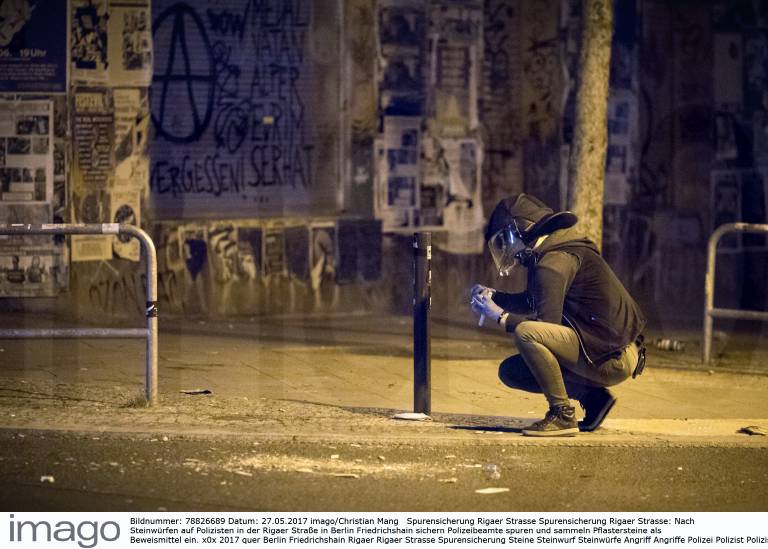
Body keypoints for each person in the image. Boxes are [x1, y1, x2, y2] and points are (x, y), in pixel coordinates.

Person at [470, 194, 646, 437]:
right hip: (608, 350)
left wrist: (501, 316)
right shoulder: (554, 251)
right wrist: (495, 297)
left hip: (612, 358)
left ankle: (562, 415)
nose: (506, 249)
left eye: (506, 239)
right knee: (511, 371)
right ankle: (594, 399)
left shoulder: (553, 262)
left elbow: (544, 326)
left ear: (522, 229)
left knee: (527, 334)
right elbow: (535, 300)